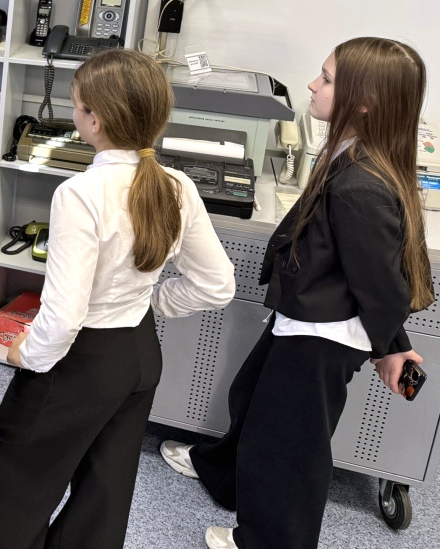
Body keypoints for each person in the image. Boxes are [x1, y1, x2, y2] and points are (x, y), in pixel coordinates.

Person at [161, 37, 432, 549]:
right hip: (305, 313)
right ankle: (225, 473)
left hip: (324, 334)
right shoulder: (351, 151)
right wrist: (392, 342)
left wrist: (391, 347)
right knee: (251, 397)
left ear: (365, 101)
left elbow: (380, 285)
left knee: (290, 444)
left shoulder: (363, 186)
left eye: (326, 79)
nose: (312, 84)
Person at [0, 48, 236, 549]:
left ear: (94, 120)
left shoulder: (80, 192)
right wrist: (151, 303)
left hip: (81, 361)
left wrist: (26, 354)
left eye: (76, 104)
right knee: (103, 494)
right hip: (139, 355)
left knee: (16, 476)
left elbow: (64, 315)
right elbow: (217, 284)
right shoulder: (178, 186)